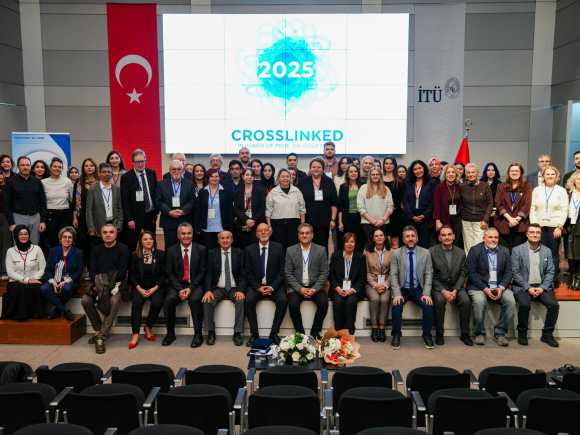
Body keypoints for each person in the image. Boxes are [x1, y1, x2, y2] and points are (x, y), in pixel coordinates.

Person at [82, 224, 129, 353]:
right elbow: (92, 271)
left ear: (116, 234)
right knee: (85, 300)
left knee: (114, 300)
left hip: (116, 285)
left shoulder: (123, 249)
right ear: (101, 235)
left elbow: (122, 272)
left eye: (111, 232)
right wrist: (100, 285)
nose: (108, 234)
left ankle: (101, 337)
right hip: (99, 284)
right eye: (105, 232)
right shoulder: (96, 250)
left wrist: (106, 285)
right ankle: (99, 330)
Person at [511, 224, 559, 347]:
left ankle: (547, 334)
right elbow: (515, 273)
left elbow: (550, 272)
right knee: (524, 304)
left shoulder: (547, 251)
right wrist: (528, 287)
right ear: (527, 234)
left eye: (538, 232)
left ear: (541, 235)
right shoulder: (517, 250)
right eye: (532, 232)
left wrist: (542, 287)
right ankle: (522, 333)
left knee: (554, 305)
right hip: (523, 286)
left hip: (542, 286)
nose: (535, 235)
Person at [466, 227, 515, 346]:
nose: (493, 240)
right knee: (479, 301)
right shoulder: (475, 250)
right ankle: (479, 333)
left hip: (499, 286)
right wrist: (485, 289)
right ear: (484, 238)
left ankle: (500, 333)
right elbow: (471, 273)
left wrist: (501, 287)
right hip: (478, 286)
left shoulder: (504, 251)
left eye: (496, 237)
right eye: (490, 237)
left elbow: (509, 272)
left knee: (510, 301)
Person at [390, 225, 434, 349]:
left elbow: (429, 274)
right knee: (396, 306)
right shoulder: (396, 253)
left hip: (418, 288)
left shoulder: (425, 253)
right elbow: (393, 274)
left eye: (413, 236)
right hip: (403, 289)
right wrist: (397, 294)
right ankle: (396, 334)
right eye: (407, 236)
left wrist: (426, 293)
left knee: (428, 306)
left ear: (417, 238)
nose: (410, 238)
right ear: (403, 239)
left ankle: (426, 334)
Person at [163, 223, 206, 347]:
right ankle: (170, 333)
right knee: (169, 300)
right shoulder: (171, 250)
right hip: (177, 285)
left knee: (194, 300)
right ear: (178, 235)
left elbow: (202, 272)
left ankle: (198, 334)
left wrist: (190, 288)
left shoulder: (201, 249)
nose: (186, 236)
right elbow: (169, 273)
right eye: (183, 233)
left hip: (195, 284)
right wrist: (180, 289)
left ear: (192, 234)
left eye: (189, 233)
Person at [244, 223, 287, 346]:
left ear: (270, 232)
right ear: (256, 234)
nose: (263, 232)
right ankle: (254, 334)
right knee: (249, 300)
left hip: (274, 286)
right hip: (256, 286)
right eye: (260, 231)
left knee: (283, 300)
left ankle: (274, 333)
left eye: (266, 230)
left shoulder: (278, 247)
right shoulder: (249, 249)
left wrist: (272, 287)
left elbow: (282, 271)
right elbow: (247, 272)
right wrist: (258, 287)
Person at [429, 225, 472, 346]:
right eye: (443, 235)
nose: (446, 237)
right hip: (439, 286)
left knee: (466, 301)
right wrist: (443, 290)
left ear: (453, 236)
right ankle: (439, 333)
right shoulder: (431, 252)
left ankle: (465, 334)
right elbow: (430, 274)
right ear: (439, 238)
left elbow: (463, 273)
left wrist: (456, 290)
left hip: (456, 286)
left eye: (449, 234)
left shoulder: (461, 253)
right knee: (439, 301)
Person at [285, 223, 329, 339]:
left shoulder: (321, 250)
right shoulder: (290, 250)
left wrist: (314, 289)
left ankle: (315, 331)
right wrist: (300, 289)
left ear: (312, 235)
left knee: (324, 303)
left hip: (315, 286)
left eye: (307, 233)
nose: (304, 235)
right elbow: (288, 273)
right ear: (298, 235)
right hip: (297, 287)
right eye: (302, 233)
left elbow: (324, 272)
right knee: (293, 304)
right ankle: (300, 333)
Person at [202, 230, 245, 346]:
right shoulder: (212, 253)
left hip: (234, 288)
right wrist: (208, 290)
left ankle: (237, 332)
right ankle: (211, 332)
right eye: (222, 238)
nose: (225, 240)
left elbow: (243, 274)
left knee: (240, 300)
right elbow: (208, 274)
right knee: (207, 301)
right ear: (218, 241)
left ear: (232, 240)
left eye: (228, 238)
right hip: (218, 288)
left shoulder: (239, 253)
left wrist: (240, 290)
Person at [530, 165, 568, 286]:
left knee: (553, 254)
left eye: (552, 174)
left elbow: (565, 210)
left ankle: (552, 280)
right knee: (539, 253)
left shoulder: (561, 191)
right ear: (543, 176)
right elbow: (533, 208)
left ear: (556, 176)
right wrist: (534, 226)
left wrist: (559, 226)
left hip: (554, 227)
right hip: (539, 226)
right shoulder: (537, 190)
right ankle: (540, 278)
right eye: (547, 174)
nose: (550, 176)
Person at [128, 231, 166, 349]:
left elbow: (164, 275)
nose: (148, 241)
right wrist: (139, 288)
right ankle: (135, 334)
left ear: (154, 240)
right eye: (145, 239)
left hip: (156, 287)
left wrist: (155, 288)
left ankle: (148, 326)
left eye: (150, 239)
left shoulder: (161, 254)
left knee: (157, 302)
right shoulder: (135, 255)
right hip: (140, 287)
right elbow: (131, 275)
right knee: (136, 303)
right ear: (141, 242)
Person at [1, 225, 45, 320]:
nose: (24, 236)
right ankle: (21, 315)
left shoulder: (37, 249)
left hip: (35, 279)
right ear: (16, 236)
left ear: (29, 235)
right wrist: (26, 280)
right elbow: (10, 272)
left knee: (35, 287)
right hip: (16, 281)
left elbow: (42, 268)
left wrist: (33, 279)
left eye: (26, 234)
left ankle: (35, 313)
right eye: (21, 234)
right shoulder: (10, 251)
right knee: (20, 288)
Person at [40, 226, 82, 321]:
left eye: (70, 237)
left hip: (69, 282)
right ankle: (65, 310)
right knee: (44, 288)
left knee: (66, 288)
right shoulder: (53, 251)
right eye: (64, 237)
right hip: (55, 280)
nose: (67, 239)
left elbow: (78, 272)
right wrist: (52, 281)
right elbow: (48, 270)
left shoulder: (78, 253)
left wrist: (65, 282)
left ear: (73, 239)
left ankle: (56, 310)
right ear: (60, 239)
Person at [120, 149, 158, 252]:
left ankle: (151, 260)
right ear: (133, 162)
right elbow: (125, 200)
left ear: (145, 160)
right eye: (137, 162)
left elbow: (155, 194)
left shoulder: (152, 173)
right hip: (134, 218)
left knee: (151, 243)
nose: (140, 164)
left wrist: (156, 213)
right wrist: (129, 219)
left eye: (142, 161)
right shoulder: (126, 177)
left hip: (150, 216)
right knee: (131, 245)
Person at [4, 156, 47, 245]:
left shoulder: (37, 182)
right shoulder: (10, 182)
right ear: (18, 167)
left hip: (35, 218)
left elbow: (43, 202)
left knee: (34, 245)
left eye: (27, 165)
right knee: (19, 246)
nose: (25, 167)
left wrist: (42, 220)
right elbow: (7, 204)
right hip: (18, 218)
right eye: (22, 165)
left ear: (30, 167)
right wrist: (11, 223)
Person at [298, 158, 338, 251]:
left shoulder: (329, 182)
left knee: (322, 245)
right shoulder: (303, 182)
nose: (316, 169)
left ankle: (322, 261)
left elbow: (334, 202)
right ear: (310, 168)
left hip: (324, 220)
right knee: (307, 245)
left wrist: (332, 219)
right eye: (314, 167)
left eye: (319, 167)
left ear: (323, 169)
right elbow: (298, 202)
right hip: (307, 220)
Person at [330, 232, 365, 335]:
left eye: (352, 242)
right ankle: (338, 330)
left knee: (351, 301)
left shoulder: (360, 257)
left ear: (355, 243)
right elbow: (331, 275)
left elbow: (362, 278)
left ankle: (350, 331)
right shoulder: (336, 256)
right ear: (343, 243)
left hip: (353, 289)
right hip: (338, 289)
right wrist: (337, 288)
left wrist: (352, 290)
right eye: (347, 242)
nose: (349, 244)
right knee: (338, 301)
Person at [156, 159, 195, 250]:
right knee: (170, 247)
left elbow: (192, 201)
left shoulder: (190, 184)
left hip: (185, 219)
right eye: (173, 169)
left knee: (185, 247)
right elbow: (158, 201)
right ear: (169, 171)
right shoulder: (161, 184)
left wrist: (183, 211)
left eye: (179, 169)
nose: (176, 171)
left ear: (183, 171)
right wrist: (169, 211)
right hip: (168, 221)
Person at [495, 162, 532, 251]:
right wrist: (510, 219)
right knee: (504, 252)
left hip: (520, 225)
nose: (514, 173)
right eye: (512, 171)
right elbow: (498, 203)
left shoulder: (527, 186)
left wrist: (516, 219)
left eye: (516, 171)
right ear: (508, 173)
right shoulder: (501, 186)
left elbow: (527, 204)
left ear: (521, 173)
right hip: (504, 223)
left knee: (518, 252)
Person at [364, 228, 392, 342]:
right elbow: (366, 272)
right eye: (376, 236)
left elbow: (393, 272)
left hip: (386, 283)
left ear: (385, 237)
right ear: (373, 238)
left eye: (381, 235)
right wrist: (375, 285)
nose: (379, 237)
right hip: (371, 283)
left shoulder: (392, 252)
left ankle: (382, 329)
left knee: (385, 300)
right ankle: (374, 328)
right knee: (375, 299)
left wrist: (385, 285)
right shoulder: (367, 252)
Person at [266, 169, 306, 248]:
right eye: (283, 176)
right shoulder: (273, 192)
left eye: (287, 176)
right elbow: (268, 210)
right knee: (279, 247)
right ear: (278, 178)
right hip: (277, 225)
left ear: (290, 178)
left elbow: (302, 209)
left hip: (294, 224)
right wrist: (269, 226)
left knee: (293, 247)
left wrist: (302, 225)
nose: (285, 178)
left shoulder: (297, 191)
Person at [196, 168, 234, 249]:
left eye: (216, 176)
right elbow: (198, 211)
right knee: (208, 252)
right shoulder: (203, 192)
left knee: (221, 251)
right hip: (206, 229)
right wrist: (198, 227)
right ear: (208, 178)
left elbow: (230, 211)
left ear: (219, 178)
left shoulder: (226, 191)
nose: (214, 178)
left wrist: (230, 228)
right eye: (212, 176)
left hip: (222, 228)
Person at [459, 163, 493, 253]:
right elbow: (460, 203)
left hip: (481, 222)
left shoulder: (485, 186)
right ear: (466, 174)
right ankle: (469, 262)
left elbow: (490, 203)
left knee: (479, 246)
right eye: (468, 172)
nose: (471, 174)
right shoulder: (462, 187)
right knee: (468, 247)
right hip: (466, 222)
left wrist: (485, 219)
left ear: (477, 173)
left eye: (473, 172)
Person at [86, 163, 123, 244]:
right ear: (99, 173)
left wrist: (119, 225)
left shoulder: (116, 189)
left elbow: (120, 208)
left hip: (114, 224)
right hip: (98, 226)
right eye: (104, 172)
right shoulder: (92, 189)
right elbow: (89, 211)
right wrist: (91, 228)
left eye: (109, 172)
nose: (107, 174)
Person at [403, 160, 436, 248]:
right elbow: (405, 201)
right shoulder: (408, 183)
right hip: (411, 218)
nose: (418, 171)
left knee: (424, 244)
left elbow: (433, 201)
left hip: (426, 218)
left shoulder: (431, 182)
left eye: (420, 168)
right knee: (411, 243)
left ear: (424, 168)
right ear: (412, 171)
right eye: (415, 169)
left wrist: (424, 215)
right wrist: (411, 216)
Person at [358, 167, 394, 247]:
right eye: (373, 174)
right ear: (370, 176)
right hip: (367, 223)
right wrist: (372, 221)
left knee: (383, 246)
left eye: (377, 174)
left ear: (380, 176)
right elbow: (360, 207)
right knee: (369, 246)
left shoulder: (386, 189)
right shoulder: (363, 188)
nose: (375, 176)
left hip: (383, 223)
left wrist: (383, 220)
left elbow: (390, 206)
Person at [42, 158, 73, 248]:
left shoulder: (67, 181)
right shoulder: (43, 182)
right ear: (50, 168)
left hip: (65, 214)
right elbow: (41, 201)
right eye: (55, 166)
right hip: (50, 215)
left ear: (62, 169)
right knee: (52, 240)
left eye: (59, 167)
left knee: (66, 239)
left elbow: (72, 199)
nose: (57, 168)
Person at [72, 158, 97, 271]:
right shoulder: (78, 182)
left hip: (96, 216)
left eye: (91, 165)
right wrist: (74, 218)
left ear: (95, 167)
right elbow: (74, 201)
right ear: (83, 168)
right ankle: (84, 268)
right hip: (81, 217)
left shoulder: (99, 181)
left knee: (94, 242)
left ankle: (94, 267)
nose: (89, 167)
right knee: (82, 242)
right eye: (86, 166)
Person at [234, 168, 266, 248]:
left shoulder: (260, 190)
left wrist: (253, 220)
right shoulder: (237, 191)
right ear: (243, 176)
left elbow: (262, 207)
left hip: (256, 223)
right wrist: (246, 220)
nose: (249, 177)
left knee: (255, 247)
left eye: (251, 175)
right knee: (243, 246)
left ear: (254, 177)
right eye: (247, 175)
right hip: (242, 223)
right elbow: (236, 208)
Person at [433, 164, 463, 249]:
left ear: (456, 174)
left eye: (453, 172)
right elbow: (436, 205)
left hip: (457, 219)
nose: (451, 174)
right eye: (448, 172)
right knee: (445, 242)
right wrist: (437, 220)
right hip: (444, 219)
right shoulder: (439, 187)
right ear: (445, 174)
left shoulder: (459, 187)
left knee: (456, 242)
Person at [338, 165, 363, 251]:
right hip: (347, 217)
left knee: (359, 240)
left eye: (355, 171)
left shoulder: (363, 186)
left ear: (358, 173)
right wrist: (340, 222)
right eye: (351, 171)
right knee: (347, 240)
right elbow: (340, 206)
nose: (353, 173)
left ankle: (358, 257)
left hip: (360, 217)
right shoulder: (343, 187)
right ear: (347, 174)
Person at [383, 156, 404, 248]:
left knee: (395, 241)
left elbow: (403, 198)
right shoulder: (380, 180)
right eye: (386, 163)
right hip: (383, 213)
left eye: (391, 163)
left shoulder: (399, 180)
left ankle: (396, 257)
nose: (388, 165)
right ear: (383, 165)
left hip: (396, 214)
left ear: (394, 165)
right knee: (384, 241)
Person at [567, 172, 580, 289]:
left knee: (579, 254)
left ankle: (578, 278)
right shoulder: (568, 194)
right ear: (574, 181)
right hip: (570, 227)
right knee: (570, 255)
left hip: (579, 228)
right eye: (578, 179)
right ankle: (572, 276)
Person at [0, 173, 11, 278]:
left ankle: (4, 271)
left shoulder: (8, 188)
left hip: (4, 217)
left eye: (1, 176)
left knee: (5, 244)